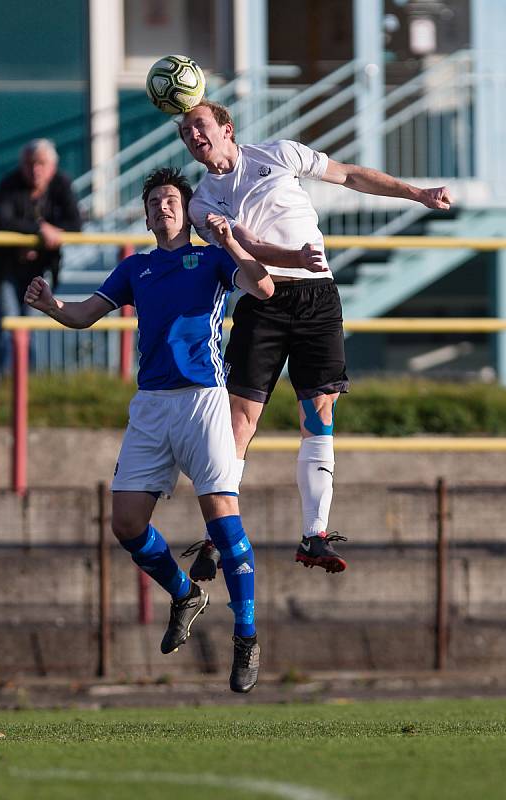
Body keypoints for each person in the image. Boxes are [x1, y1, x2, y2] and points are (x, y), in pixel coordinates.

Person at [23, 167, 319, 693]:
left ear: (186, 212)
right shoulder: (136, 268)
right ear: (145, 213)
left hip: (203, 401)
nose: (163, 206)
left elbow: (265, 287)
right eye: (155, 200)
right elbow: (85, 314)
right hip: (151, 406)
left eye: (171, 200)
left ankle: (246, 636)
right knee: (126, 523)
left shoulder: (210, 258)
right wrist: (52, 306)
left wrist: (231, 242)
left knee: (222, 517)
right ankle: (184, 594)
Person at [178, 99, 453, 580]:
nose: (193, 136)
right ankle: (218, 534)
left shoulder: (277, 154)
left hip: (317, 298)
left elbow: (348, 175)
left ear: (227, 128)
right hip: (263, 300)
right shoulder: (201, 203)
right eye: (185, 132)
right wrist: (295, 257)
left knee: (319, 411)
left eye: (200, 126)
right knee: (240, 420)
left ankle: (315, 534)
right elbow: (249, 246)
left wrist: (417, 194)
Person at [0, 138, 82, 376]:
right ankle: (5, 382)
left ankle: (28, 381)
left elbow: (75, 223)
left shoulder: (61, 183)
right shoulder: (10, 183)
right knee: (7, 324)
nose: (35, 169)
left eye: (41, 163)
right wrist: (39, 231)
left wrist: (48, 236)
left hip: (41, 268)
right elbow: (2, 220)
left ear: (52, 166)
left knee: (32, 325)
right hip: (6, 267)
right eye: (30, 163)